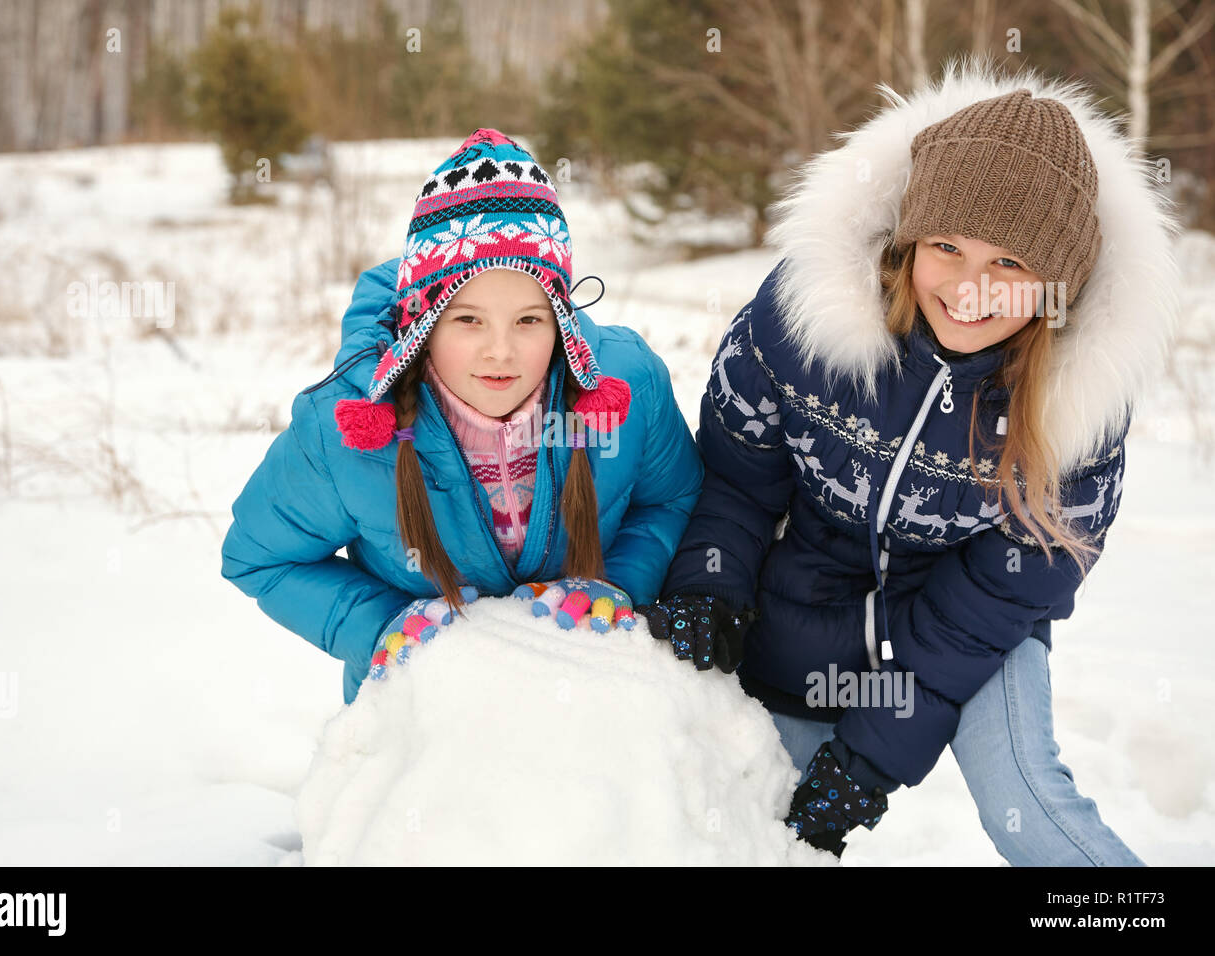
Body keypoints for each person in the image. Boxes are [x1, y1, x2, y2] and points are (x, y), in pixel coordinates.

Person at [641, 64, 1178, 865]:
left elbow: (989, 604)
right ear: (908, 242)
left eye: (1009, 266)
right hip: (804, 596)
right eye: (947, 248)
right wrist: (707, 590)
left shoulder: (1074, 417)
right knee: (754, 817)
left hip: (966, 623)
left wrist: (870, 759)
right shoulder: (804, 325)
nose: (968, 290)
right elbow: (736, 485)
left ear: (1056, 285)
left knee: (1024, 801)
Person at [221, 128, 703, 704]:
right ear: (423, 328)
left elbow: (673, 499)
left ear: (562, 323)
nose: (499, 351)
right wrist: (378, 627)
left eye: (529, 320)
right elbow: (259, 557)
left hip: (586, 709)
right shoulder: (345, 429)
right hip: (426, 728)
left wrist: (615, 583)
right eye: (468, 320)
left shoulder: (628, 388)